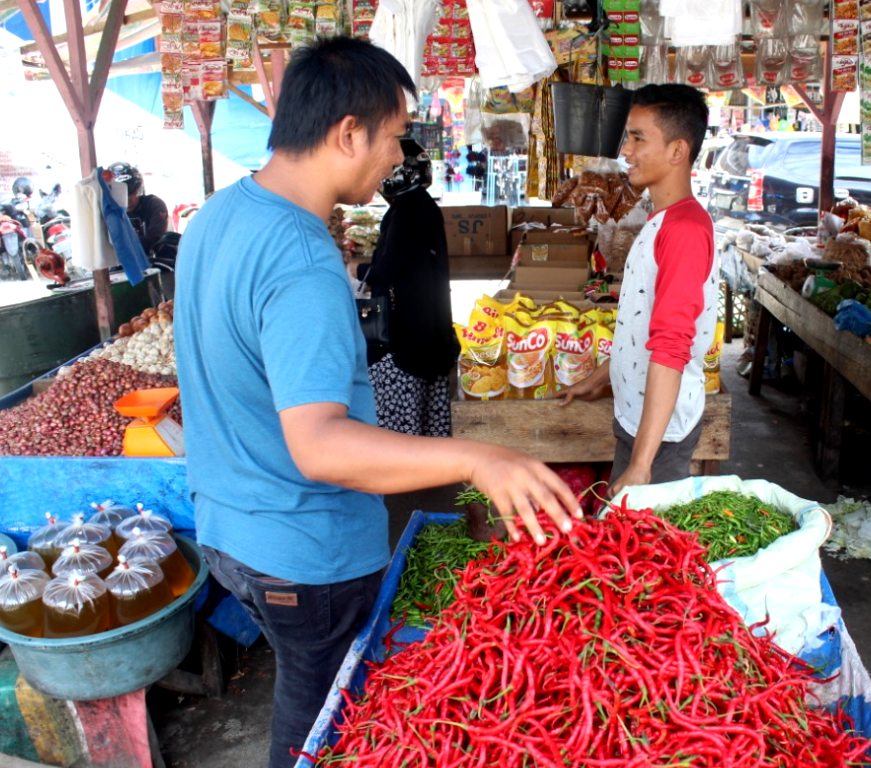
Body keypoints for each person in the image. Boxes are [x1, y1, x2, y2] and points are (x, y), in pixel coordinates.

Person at [172, 35, 581, 768]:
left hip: (229, 529)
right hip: (303, 551)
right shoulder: (302, 257)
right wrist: (478, 457)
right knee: (322, 733)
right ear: (348, 132)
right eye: (395, 137)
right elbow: (321, 445)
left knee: (311, 704)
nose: (399, 157)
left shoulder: (215, 217)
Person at [555, 83, 718, 498]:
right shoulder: (663, 219)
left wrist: (643, 463)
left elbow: (670, 345)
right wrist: (600, 377)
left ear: (678, 151)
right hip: (639, 419)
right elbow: (643, 325)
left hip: (658, 434)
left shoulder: (682, 231)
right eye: (628, 136)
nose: (625, 151)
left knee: (641, 554)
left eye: (638, 138)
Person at [362, 137, 459, 436]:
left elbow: (390, 269)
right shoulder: (424, 206)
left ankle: (407, 483)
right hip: (430, 338)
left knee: (398, 437)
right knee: (428, 430)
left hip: (406, 343)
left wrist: (361, 269)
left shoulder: (405, 212)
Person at [107, 161, 169, 255]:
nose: (128, 201)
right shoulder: (108, 213)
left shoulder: (154, 205)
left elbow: (154, 238)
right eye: (122, 196)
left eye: (131, 194)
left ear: (138, 190)